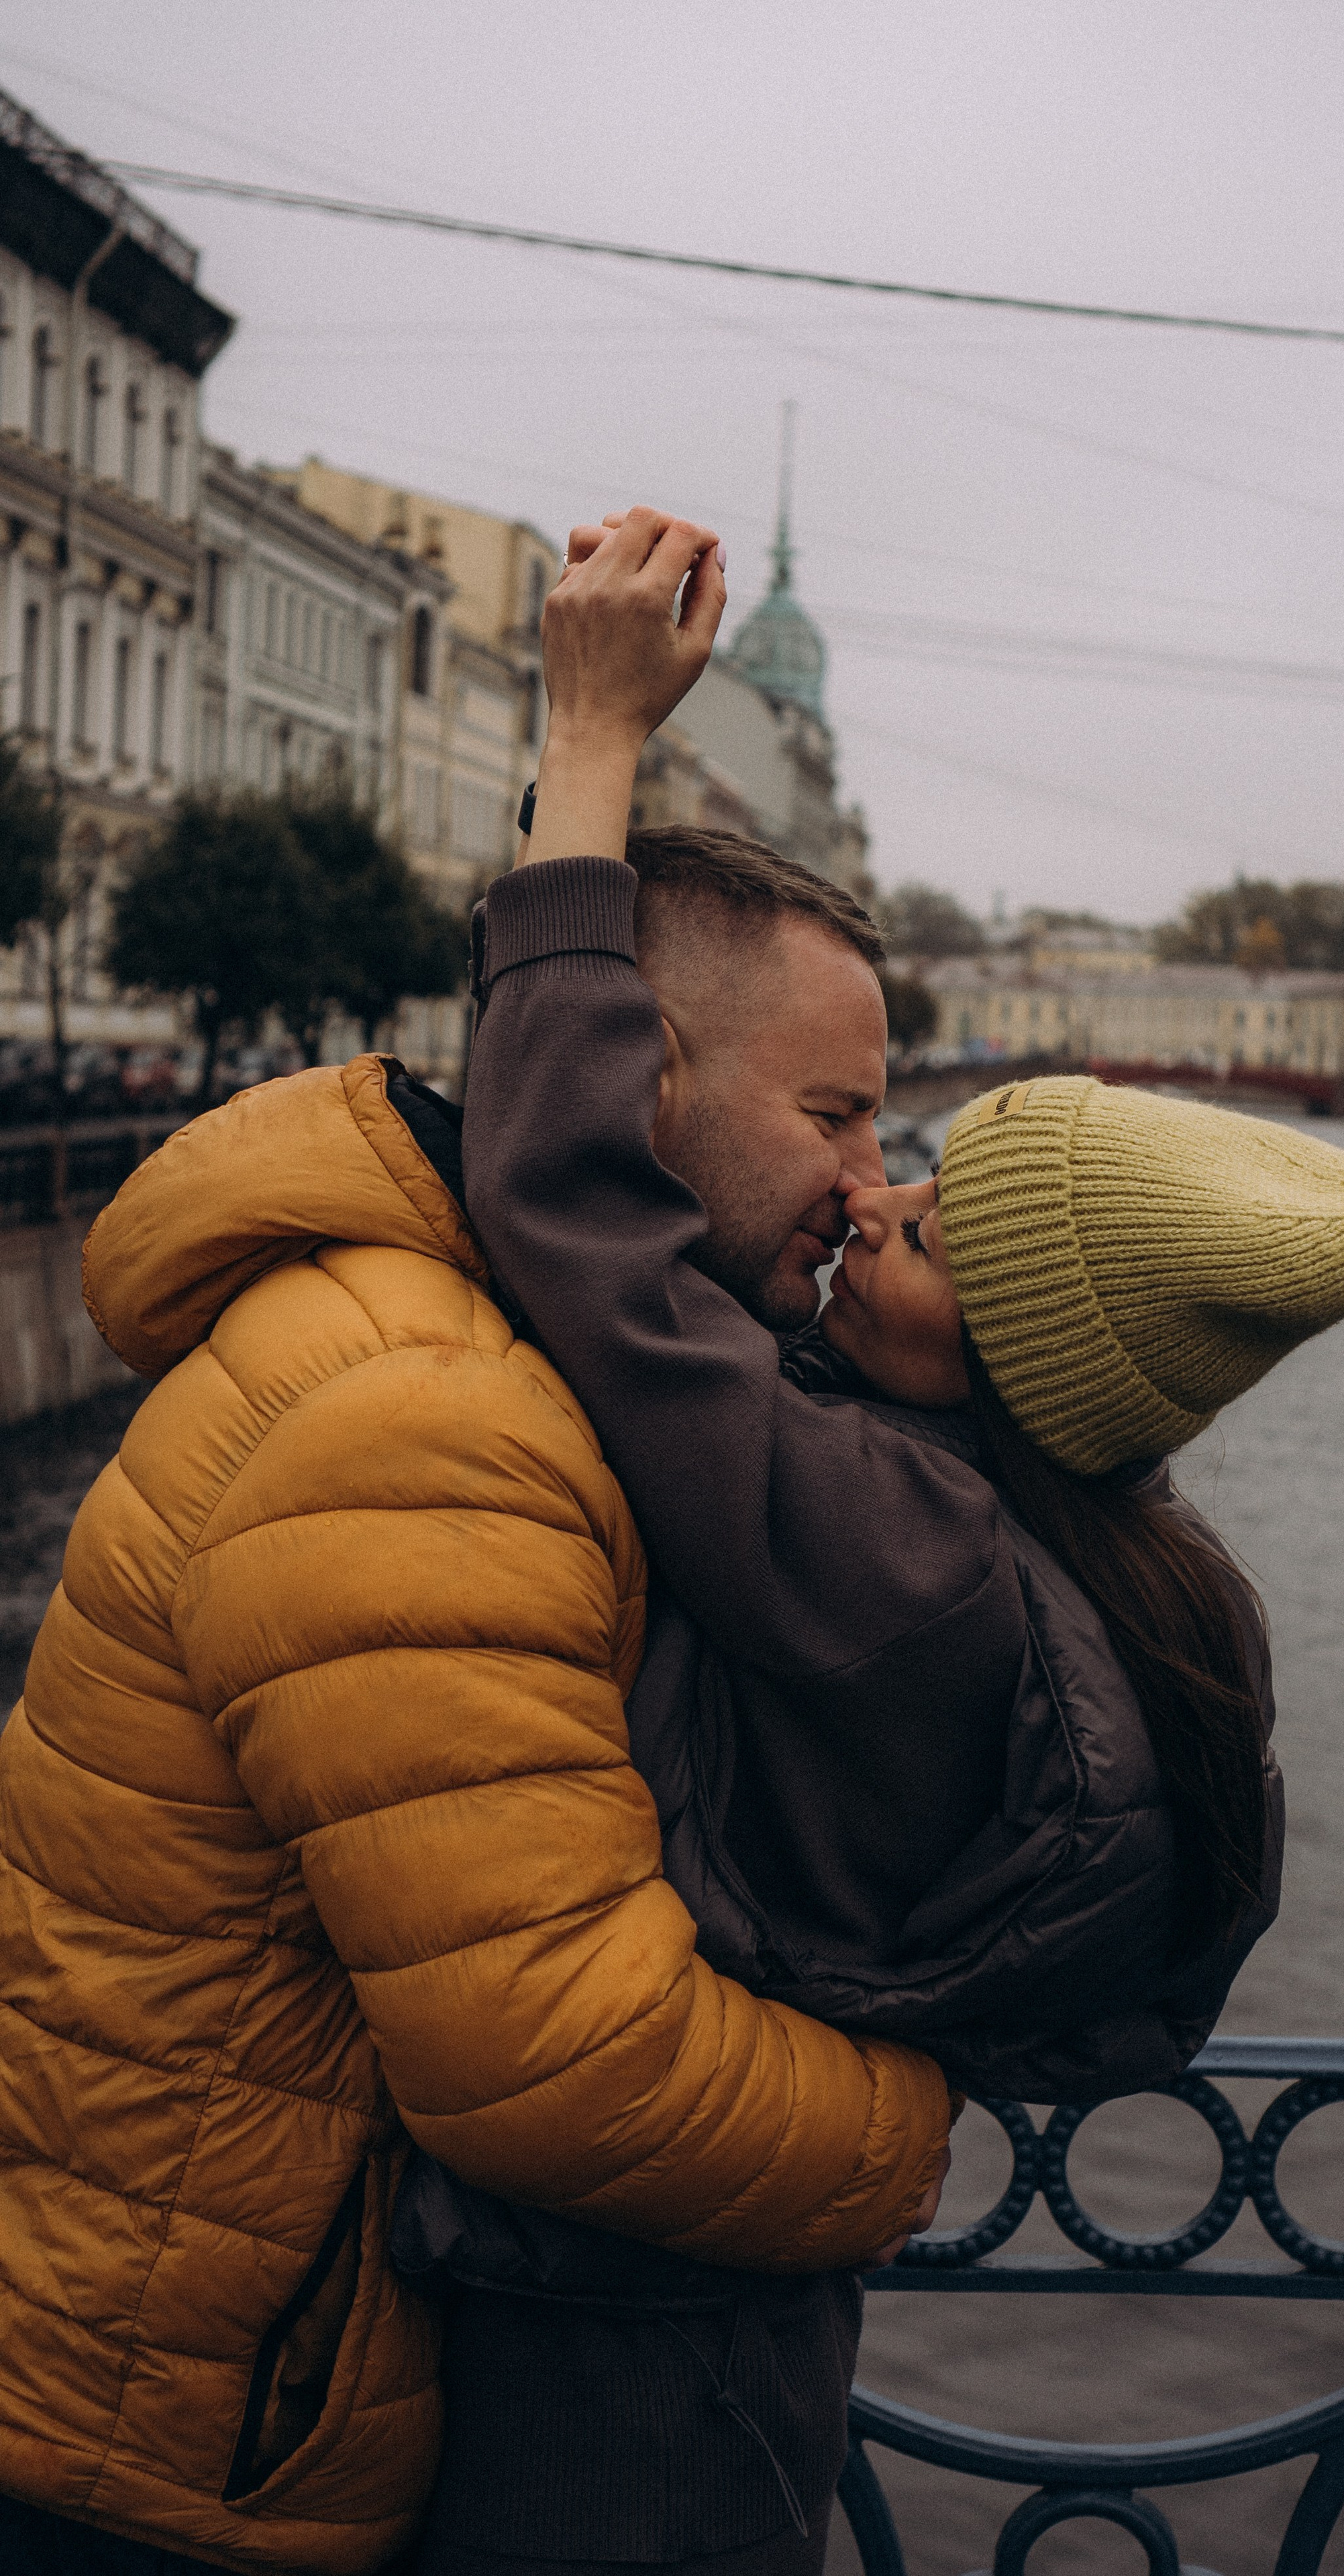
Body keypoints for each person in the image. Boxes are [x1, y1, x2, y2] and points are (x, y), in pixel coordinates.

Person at [401, 506, 1344, 2575]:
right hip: (722, 2292)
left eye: (923, 1216)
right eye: (861, 1144)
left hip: (620, 2349)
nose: (867, 1201)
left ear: (1022, 1347)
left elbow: (583, 1223)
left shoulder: (898, 1555)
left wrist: (587, 757)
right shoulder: (1037, 1541)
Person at [0, 941, 951, 2562]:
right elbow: (560, 2063)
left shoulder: (481, 1352)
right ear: (636, 1082)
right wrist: (908, 2129)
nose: (871, 1185)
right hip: (168, 2442)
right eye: (834, 1116)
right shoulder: (429, 1413)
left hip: (198, 2363)